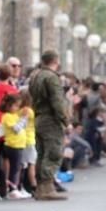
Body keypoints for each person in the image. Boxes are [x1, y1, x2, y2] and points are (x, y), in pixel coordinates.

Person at [28, 50, 70, 201]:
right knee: (53, 152)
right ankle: (47, 188)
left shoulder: (35, 75)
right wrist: (65, 120)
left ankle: (40, 188)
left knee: (42, 154)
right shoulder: (51, 77)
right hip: (50, 119)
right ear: (56, 61)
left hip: (38, 117)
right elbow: (57, 101)